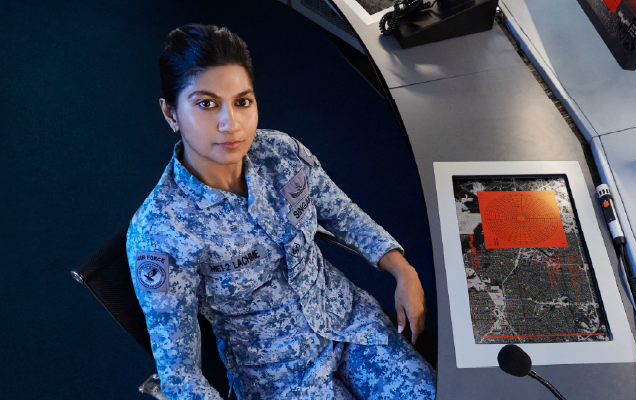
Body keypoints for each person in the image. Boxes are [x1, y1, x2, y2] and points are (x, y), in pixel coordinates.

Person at [126, 24, 436, 400]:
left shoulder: (280, 153)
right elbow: (180, 378)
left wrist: (401, 268)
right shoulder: (159, 231)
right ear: (171, 113)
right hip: (281, 379)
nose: (231, 124)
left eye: (242, 101)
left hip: (351, 325)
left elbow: (340, 213)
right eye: (206, 104)